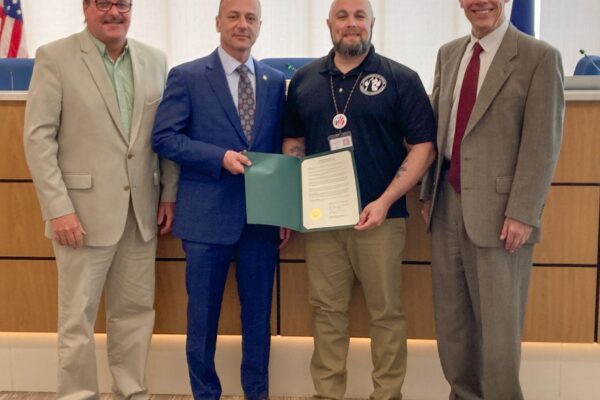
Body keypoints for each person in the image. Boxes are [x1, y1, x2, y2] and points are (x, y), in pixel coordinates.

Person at [22, 1, 179, 399]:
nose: (114, 12)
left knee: (135, 316)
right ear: (86, 8)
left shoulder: (155, 60)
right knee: (77, 320)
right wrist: (59, 210)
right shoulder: (54, 57)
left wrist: (169, 195)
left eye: (122, 4)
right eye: (104, 3)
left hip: (141, 213)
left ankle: (132, 392)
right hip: (80, 217)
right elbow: (38, 141)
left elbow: (165, 135)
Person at [283, 0, 436, 398]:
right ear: (329, 24)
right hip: (322, 221)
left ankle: (386, 395)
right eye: (342, 16)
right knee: (326, 314)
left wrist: (385, 200)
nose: (351, 24)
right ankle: (327, 393)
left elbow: (424, 147)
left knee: (386, 315)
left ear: (372, 23)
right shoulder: (303, 80)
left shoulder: (401, 78)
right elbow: (293, 142)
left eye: (359, 17)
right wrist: (298, 190)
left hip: (381, 219)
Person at [420, 1, 564, 399]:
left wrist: (523, 212)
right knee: (453, 327)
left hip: (503, 216)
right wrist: (427, 191)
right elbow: (439, 127)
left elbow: (542, 143)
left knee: (499, 335)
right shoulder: (449, 54)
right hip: (447, 202)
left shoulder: (539, 57)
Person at [151, 0, 286, 398]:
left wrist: (283, 209)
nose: (242, 25)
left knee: (259, 319)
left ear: (260, 25)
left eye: (250, 18)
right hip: (205, 218)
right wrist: (217, 157)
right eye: (234, 16)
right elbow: (164, 138)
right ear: (217, 23)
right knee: (202, 319)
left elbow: (279, 147)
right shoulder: (188, 76)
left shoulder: (275, 81)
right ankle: (205, 394)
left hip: (261, 220)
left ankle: (256, 393)